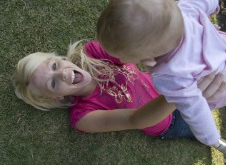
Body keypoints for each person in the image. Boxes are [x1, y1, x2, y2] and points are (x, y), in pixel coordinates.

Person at [12, 40, 226, 145]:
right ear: (57, 97)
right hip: (171, 121)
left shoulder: (92, 54)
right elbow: (136, 119)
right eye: (53, 84)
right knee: (203, 131)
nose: (63, 75)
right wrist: (183, 92)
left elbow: (136, 52)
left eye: (54, 66)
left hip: (169, 86)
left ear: (61, 59)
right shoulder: (83, 117)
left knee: (217, 84)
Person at [96, 0, 226, 152]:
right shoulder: (185, 9)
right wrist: (214, 5)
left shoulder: (170, 75)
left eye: (125, 57)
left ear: (148, 61)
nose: (122, 60)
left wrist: (212, 139)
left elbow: (196, 111)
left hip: (220, 85)